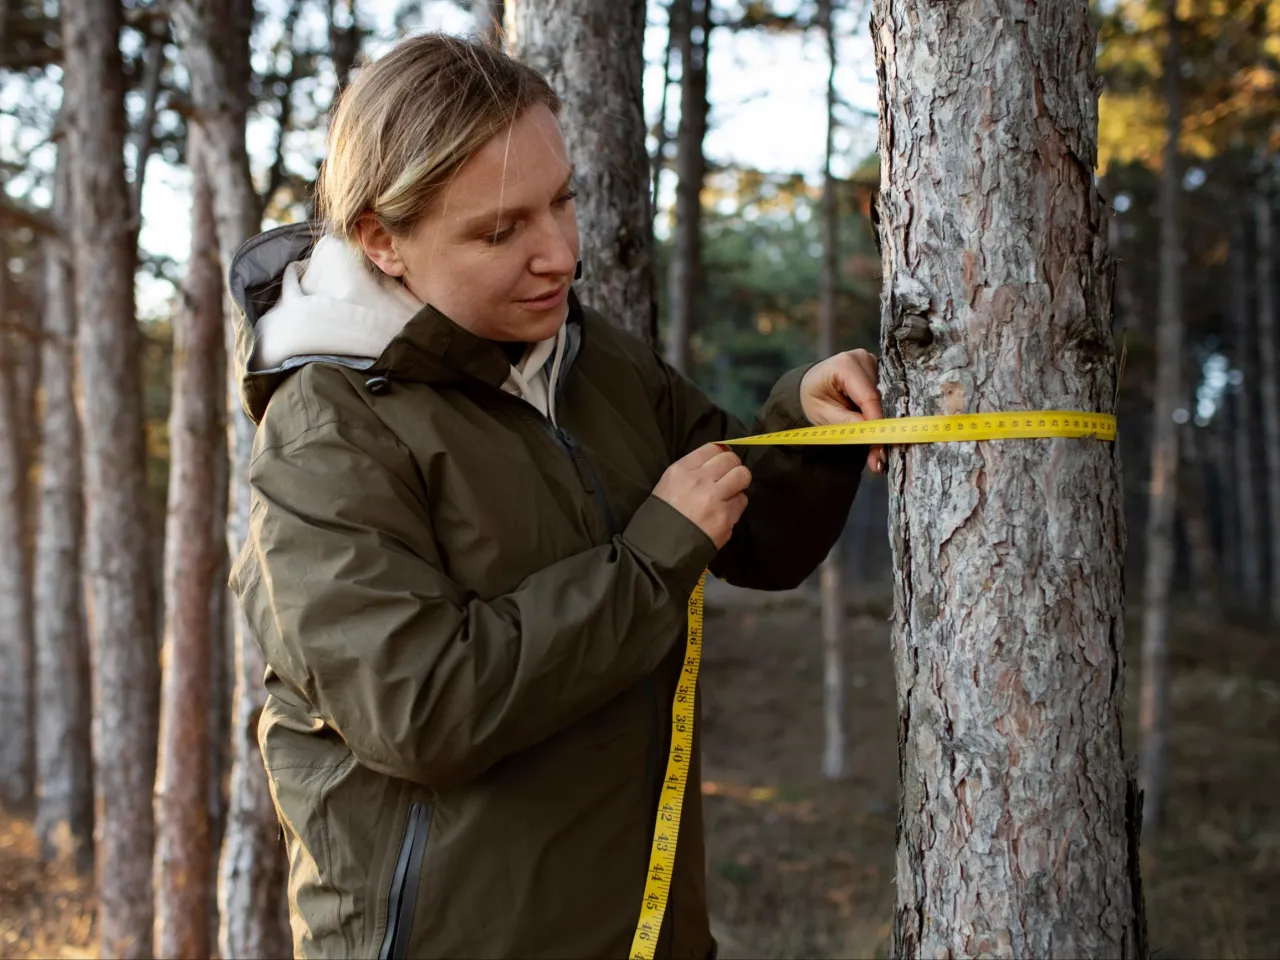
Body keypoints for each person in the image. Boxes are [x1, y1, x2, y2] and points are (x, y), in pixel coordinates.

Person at [228, 32, 885, 960]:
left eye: (563, 200)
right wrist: (651, 562)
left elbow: (749, 535)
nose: (560, 255)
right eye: (501, 231)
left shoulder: (588, 357)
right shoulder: (326, 432)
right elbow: (422, 710)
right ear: (380, 239)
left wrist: (805, 425)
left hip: (646, 932)